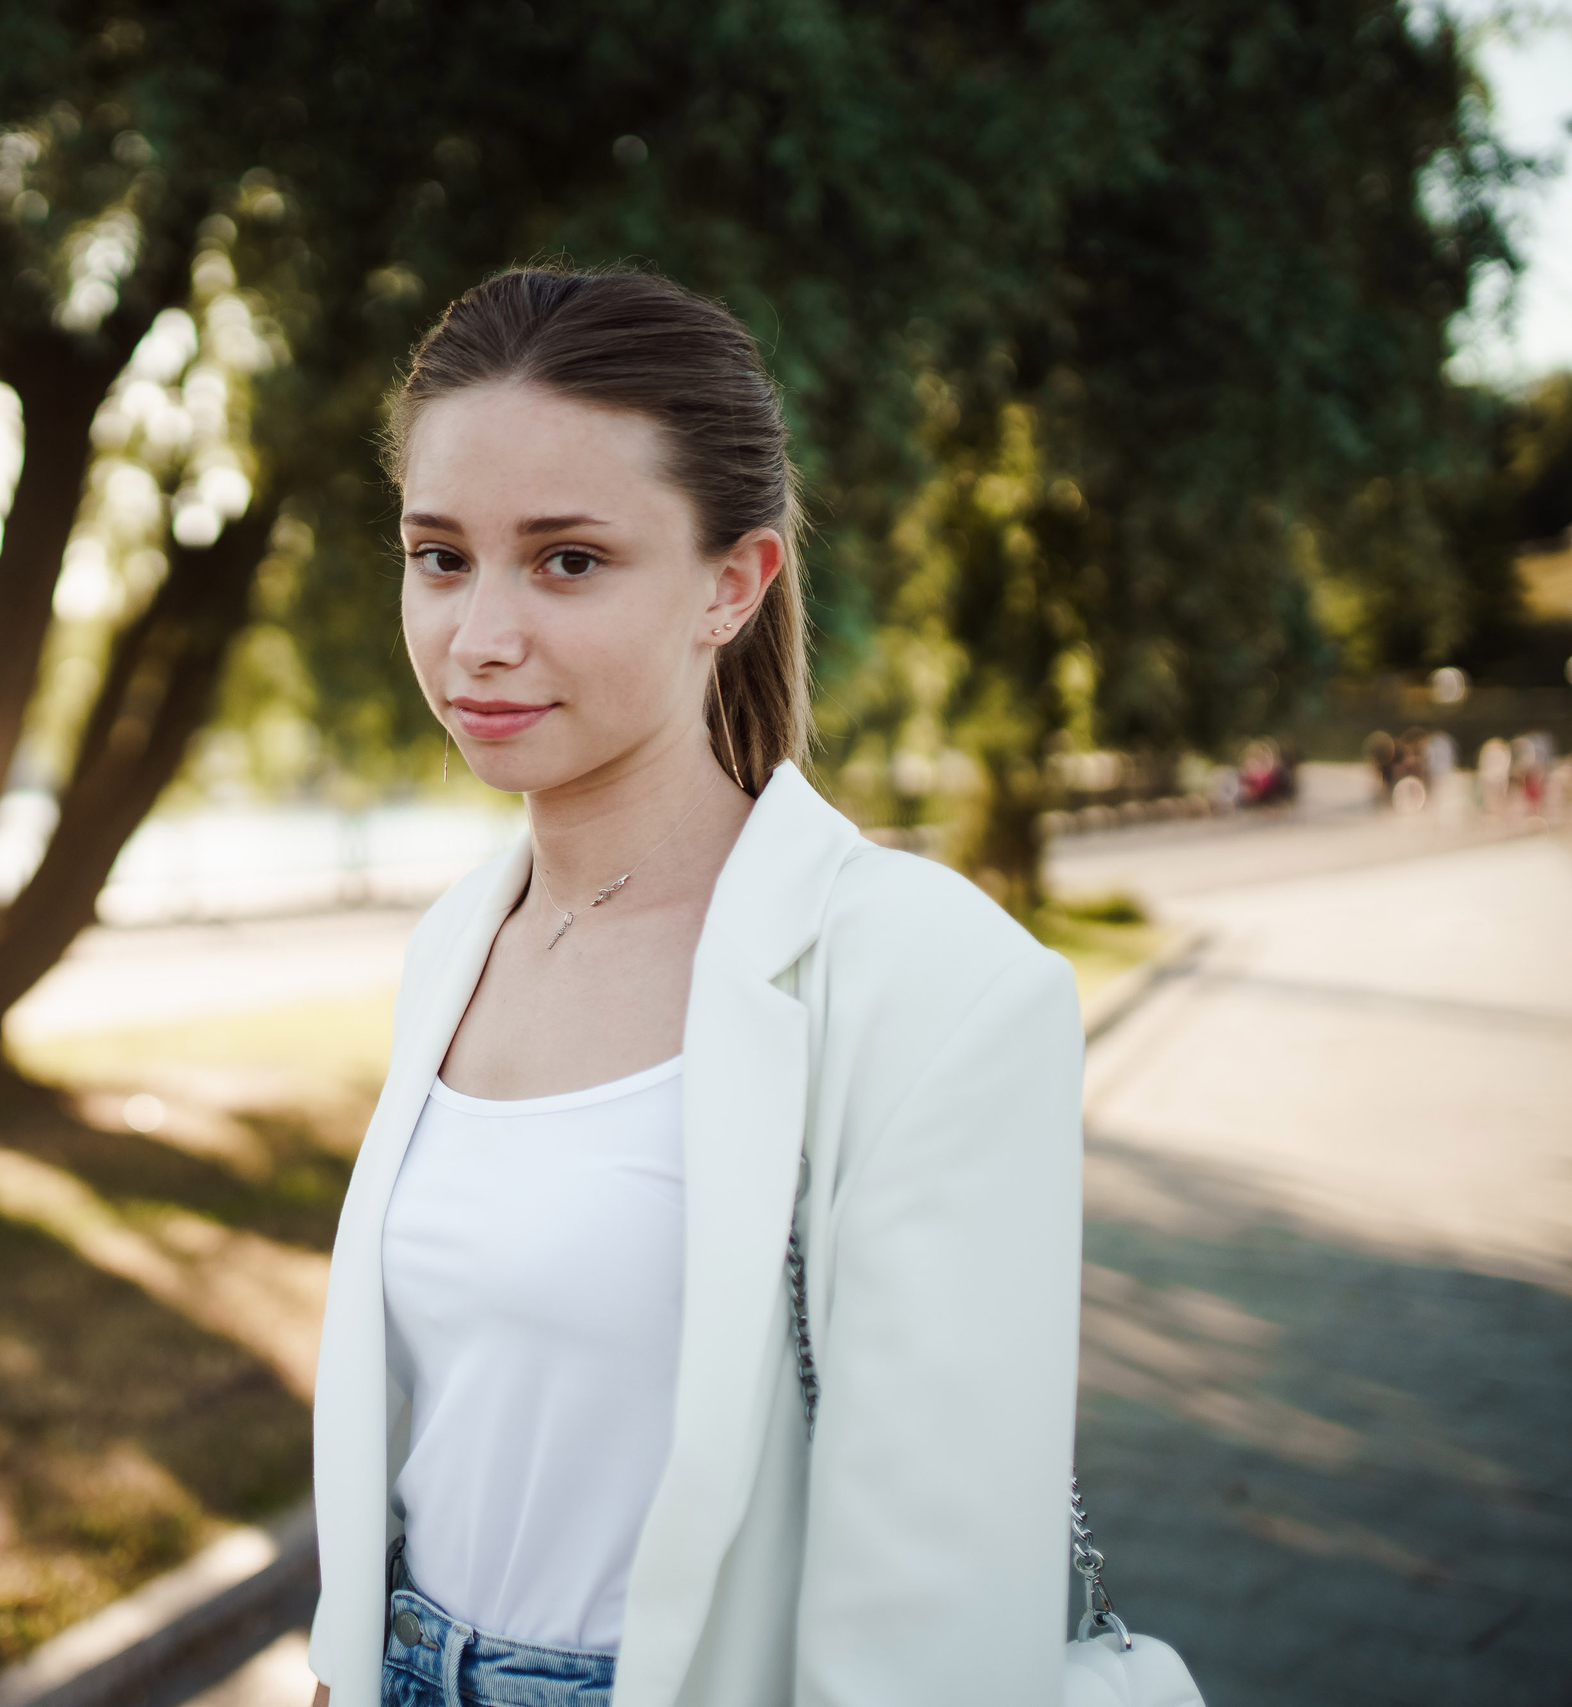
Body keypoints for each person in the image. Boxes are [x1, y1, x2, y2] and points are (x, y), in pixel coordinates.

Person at [306, 269, 1085, 1707]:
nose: (479, 635)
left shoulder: (937, 984)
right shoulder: (454, 945)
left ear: (733, 584)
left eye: (569, 561)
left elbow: (938, 1617)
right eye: (439, 555)